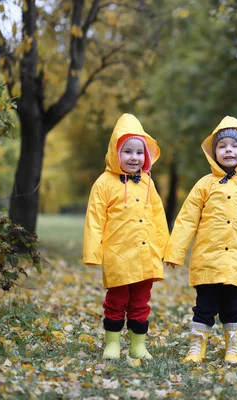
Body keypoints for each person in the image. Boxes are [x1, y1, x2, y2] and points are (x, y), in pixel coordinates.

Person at [164, 115, 237, 364]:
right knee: (204, 307)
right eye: (222, 146)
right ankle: (197, 349)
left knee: (233, 307)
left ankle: (233, 349)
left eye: (234, 145)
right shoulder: (204, 185)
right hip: (206, 260)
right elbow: (187, 220)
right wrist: (175, 253)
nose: (228, 150)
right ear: (213, 152)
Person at [83, 113, 169, 360]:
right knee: (116, 300)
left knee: (141, 302)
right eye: (128, 151)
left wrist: (165, 248)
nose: (134, 157)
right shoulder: (104, 183)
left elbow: (159, 217)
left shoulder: (148, 183)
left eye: (139, 152)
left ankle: (138, 345)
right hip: (118, 254)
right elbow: (95, 219)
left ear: (147, 156)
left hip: (145, 254)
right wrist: (93, 252)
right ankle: (112, 343)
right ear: (115, 153)